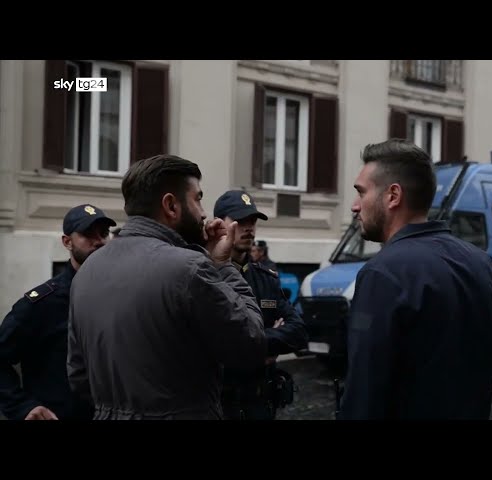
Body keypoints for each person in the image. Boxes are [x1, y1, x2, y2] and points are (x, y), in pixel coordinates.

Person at [67, 154, 266, 420]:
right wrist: (222, 264)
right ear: (171, 205)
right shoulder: (189, 268)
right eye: (197, 199)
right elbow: (249, 343)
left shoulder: (86, 271)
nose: (204, 213)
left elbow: (79, 376)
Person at [337, 139, 492, 420]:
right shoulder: (482, 262)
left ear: (393, 195)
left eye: (361, 192)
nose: (355, 206)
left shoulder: (382, 273)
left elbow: (365, 387)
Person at [0, 204, 116, 420]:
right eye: (88, 234)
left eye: (103, 233)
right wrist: (23, 407)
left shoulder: (121, 294)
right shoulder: (41, 304)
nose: (98, 241)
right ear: (67, 242)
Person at [213, 190, 308, 419]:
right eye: (240, 221)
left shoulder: (265, 278)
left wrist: (258, 343)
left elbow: (298, 332)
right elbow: (210, 344)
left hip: (260, 404)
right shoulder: (205, 276)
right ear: (219, 225)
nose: (249, 228)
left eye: (252, 221)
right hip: (221, 405)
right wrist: (263, 347)